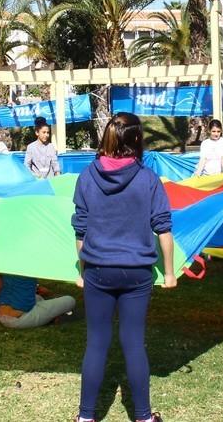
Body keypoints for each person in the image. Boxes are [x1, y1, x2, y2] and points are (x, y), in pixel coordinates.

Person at [72, 112, 176, 422]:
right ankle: (143, 416)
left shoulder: (86, 177)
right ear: (136, 141)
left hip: (98, 271)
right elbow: (164, 230)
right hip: (137, 273)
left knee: (96, 343)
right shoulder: (148, 179)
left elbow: (80, 231)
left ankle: (85, 417)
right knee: (133, 342)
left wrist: (82, 272)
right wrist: (169, 273)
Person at [0, 274, 75, 329]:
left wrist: (37, 286)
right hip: (20, 318)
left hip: (3, 314)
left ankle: (50, 312)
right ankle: (52, 316)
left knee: (38, 297)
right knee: (70, 300)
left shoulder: (6, 265)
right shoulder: (30, 264)